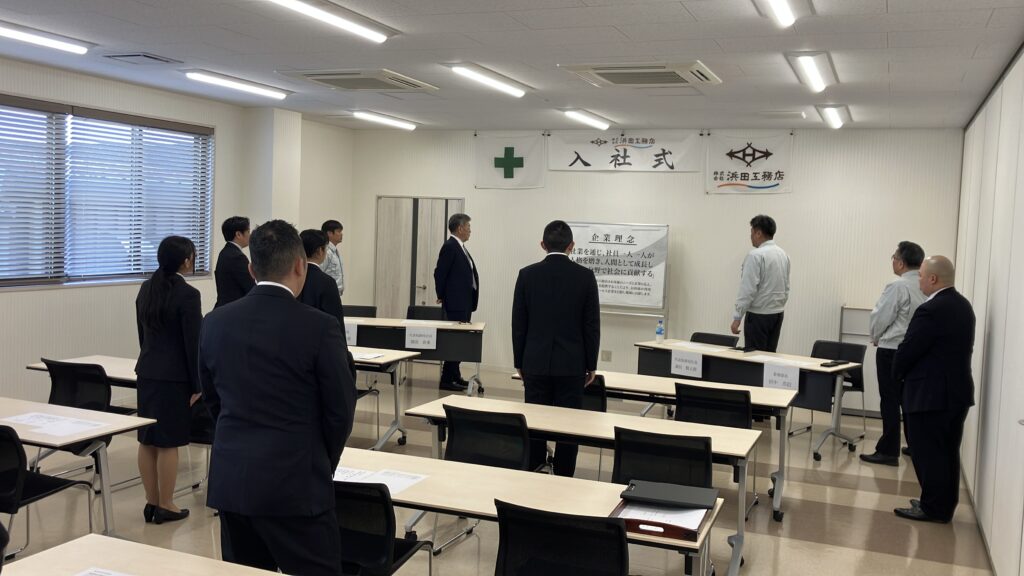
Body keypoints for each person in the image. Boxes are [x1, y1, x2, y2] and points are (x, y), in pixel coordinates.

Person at [200, 220, 357, 575]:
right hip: (296, 484)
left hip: (233, 481)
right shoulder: (320, 327)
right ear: (301, 265)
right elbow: (340, 412)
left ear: (251, 269)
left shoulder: (215, 322)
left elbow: (214, 400)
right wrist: (321, 461)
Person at [512, 220, 600, 477]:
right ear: (572, 246)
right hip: (572, 365)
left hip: (535, 362)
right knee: (569, 427)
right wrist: (591, 364)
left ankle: (535, 472)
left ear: (543, 245)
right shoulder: (585, 277)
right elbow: (591, 325)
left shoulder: (526, 275)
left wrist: (519, 361)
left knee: (534, 423)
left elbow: (519, 323)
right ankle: (564, 477)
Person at [892, 255, 975, 523]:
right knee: (947, 452)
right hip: (956, 394)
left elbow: (910, 349)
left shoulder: (931, 310)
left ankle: (933, 508)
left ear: (933, 279)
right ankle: (941, 504)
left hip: (930, 396)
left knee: (928, 452)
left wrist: (896, 373)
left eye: (921, 275)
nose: (918, 280)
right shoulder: (962, 305)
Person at [134, 236, 202, 524]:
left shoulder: (146, 288)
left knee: (147, 440)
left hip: (147, 371)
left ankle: (151, 503)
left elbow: (142, 335)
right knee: (168, 443)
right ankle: (167, 504)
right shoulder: (188, 294)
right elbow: (193, 344)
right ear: (186, 261)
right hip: (174, 378)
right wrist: (197, 384)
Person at [860, 241, 927, 466]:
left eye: (894, 257)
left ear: (900, 262)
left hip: (892, 350)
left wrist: (876, 336)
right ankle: (915, 446)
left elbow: (881, 316)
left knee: (889, 400)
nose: (893, 261)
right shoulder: (924, 285)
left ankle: (888, 451)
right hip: (914, 351)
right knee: (909, 400)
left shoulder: (898, 286)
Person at [299, 229, 357, 378]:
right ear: (320, 251)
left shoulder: (293, 277)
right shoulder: (326, 282)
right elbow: (336, 321)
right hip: (321, 351)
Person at [730, 214, 790, 352]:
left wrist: (737, 317)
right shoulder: (783, 255)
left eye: (751, 232)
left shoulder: (755, 255)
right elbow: (786, 286)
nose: (750, 236)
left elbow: (747, 289)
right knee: (769, 357)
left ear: (758, 233)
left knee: (755, 358)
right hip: (777, 315)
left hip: (758, 316)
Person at [434, 213, 479, 391]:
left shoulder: (460, 247)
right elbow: (440, 273)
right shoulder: (450, 246)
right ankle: (446, 379)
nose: (470, 231)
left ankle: (454, 375)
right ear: (460, 228)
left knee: (459, 341)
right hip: (456, 303)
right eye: (468, 227)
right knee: (454, 341)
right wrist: (441, 294)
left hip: (464, 302)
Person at [214, 216, 255, 308]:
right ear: (238, 234)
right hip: (235, 308)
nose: (250, 235)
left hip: (224, 307)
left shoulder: (225, 252)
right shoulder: (237, 257)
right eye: (248, 231)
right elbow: (250, 287)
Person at [321, 219, 345, 297]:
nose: (341, 234)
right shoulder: (326, 251)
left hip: (335, 294)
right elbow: (320, 273)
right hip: (327, 294)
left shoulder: (334, 251)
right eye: (339, 231)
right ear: (329, 233)